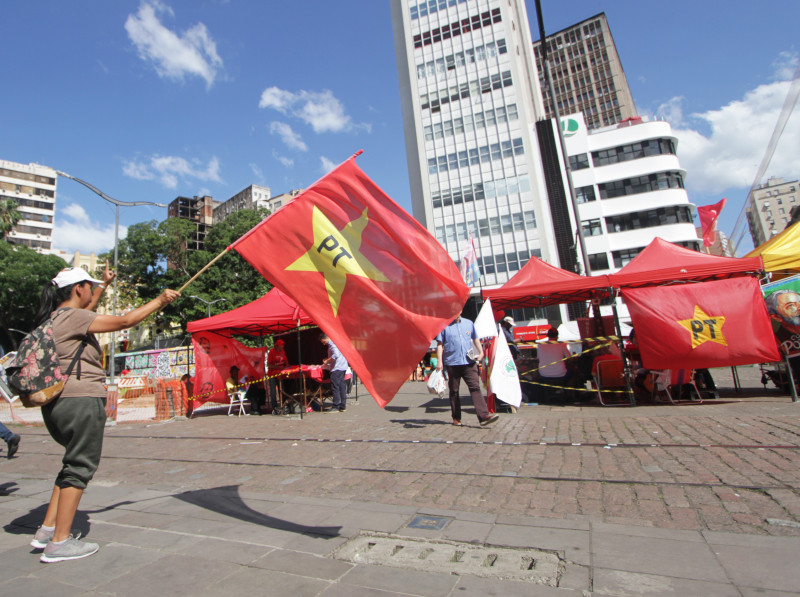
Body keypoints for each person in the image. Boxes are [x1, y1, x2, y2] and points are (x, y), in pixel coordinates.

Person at [30, 265, 179, 563]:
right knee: (80, 466)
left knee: (70, 463)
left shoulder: (55, 317)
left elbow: (90, 308)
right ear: (77, 289)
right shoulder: (73, 317)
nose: (90, 292)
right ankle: (59, 543)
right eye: (89, 286)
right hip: (80, 400)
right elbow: (125, 320)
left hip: (58, 401)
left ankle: (47, 530)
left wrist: (104, 286)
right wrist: (160, 301)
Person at [436, 315, 499, 427]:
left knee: (475, 387)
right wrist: (439, 362)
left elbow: (475, 339)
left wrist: (481, 352)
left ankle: (483, 416)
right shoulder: (443, 325)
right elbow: (440, 345)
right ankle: (456, 417)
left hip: (469, 362)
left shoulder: (469, 323)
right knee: (454, 391)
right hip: (452, 363)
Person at [320, 333, 349, 412]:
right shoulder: (337, 341)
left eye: (323, 341)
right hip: (342, 366)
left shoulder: (332, 343)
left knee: (335, 387)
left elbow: (336, 355)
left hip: (337, 368)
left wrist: (327, 361)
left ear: (327, 338)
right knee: (342, 386)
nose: (323, 343)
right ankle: (343, 406)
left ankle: (335, 406)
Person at [265, 339, 288, 415]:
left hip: (280, 374)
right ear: (277, 346)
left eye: (283, 347)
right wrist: (277, 367)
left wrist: (287, 366)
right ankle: (274, 407)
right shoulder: (272, 352)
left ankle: (284, 405)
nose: (282, 348)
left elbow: (285, 361)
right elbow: (268, 364)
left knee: (282, 389)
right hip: (272, 374)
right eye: (281, 347)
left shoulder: (282, 351)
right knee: (273, 391)